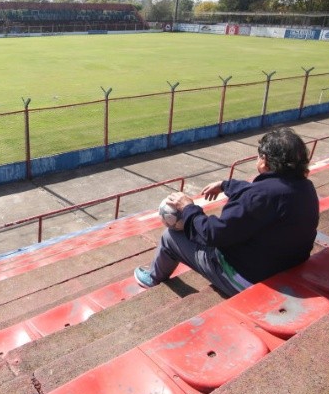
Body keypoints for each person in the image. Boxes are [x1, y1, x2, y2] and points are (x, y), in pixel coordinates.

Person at [134, 127, 319, 296]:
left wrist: (189, 208)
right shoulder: (306, 187)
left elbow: (213, 234)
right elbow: (260, 195)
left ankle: (153, 277)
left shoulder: (259, 196)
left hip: (249, 280)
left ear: (265, 162)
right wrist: (225, 185)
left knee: (171, 237)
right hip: (286, 267)